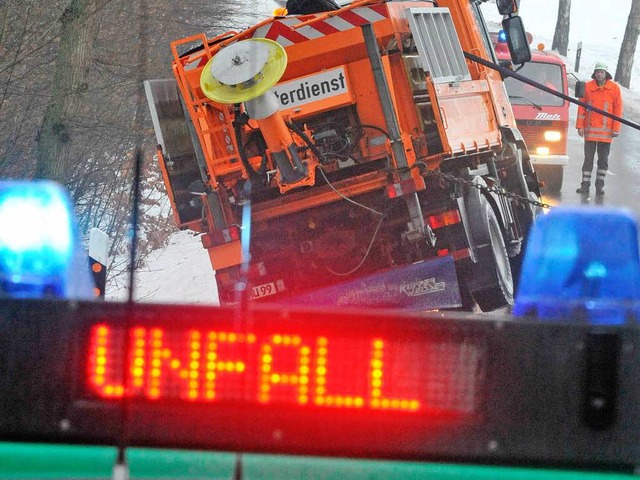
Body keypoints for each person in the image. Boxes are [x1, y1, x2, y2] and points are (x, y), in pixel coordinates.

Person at [575, 61, 623, 196]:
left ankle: (599, 186)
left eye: (602, 72)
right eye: (597, 72)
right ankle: (584, 185)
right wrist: (580, 126)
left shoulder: (614, 89)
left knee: (603, 160)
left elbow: (618, 109)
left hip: (607, 133)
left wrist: (616, 128)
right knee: (588, 159)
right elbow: (581, 107)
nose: (599, 74)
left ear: (606, 74)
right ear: (594, 73)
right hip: (590, 132)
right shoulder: (587, 87)